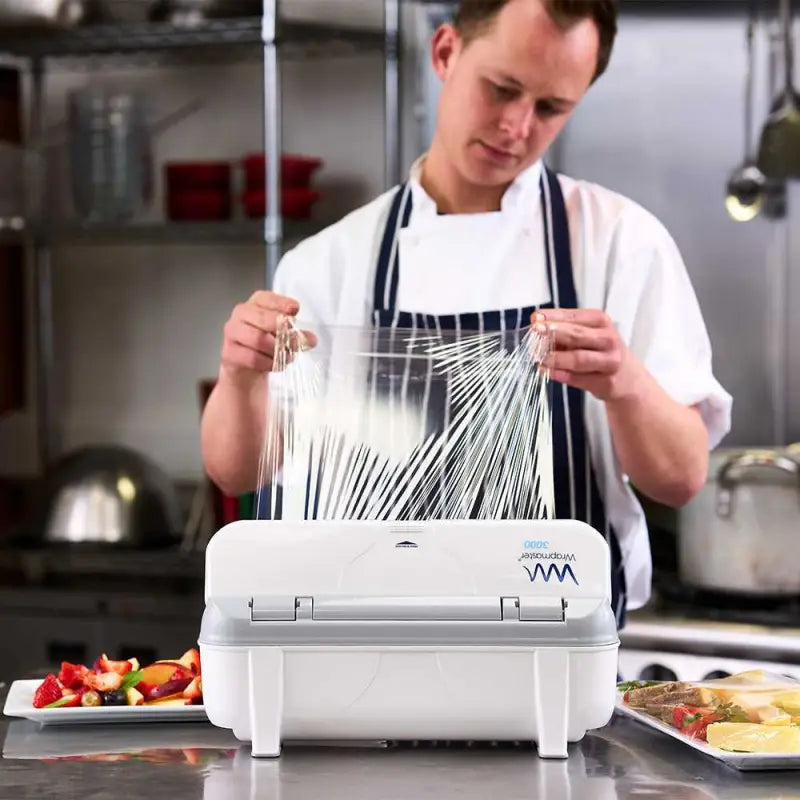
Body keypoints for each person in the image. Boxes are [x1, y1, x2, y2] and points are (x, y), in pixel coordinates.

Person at [200, 0, 732, 627]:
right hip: (362, 650)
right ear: (446, 52)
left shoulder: (618, 244)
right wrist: (241, 376)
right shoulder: (333, 260)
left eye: (550, 108)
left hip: (557, 666)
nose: (516, 126)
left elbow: (681, 480)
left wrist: (624, 384)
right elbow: (237, 470)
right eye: (501, 89)